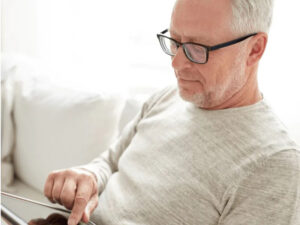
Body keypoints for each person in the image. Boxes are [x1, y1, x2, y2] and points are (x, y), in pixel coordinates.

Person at [44, 0, 300, 224]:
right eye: (175, 41)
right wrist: (88, 177)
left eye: (198, 48)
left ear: (254, 49)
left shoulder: (275, 165)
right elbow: (109, 162)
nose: (176, 63)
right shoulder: (167, 97)